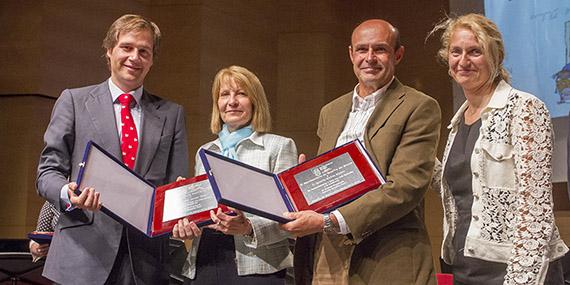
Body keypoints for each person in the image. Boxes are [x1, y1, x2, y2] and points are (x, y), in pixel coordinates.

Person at [281, 19, 441, 284]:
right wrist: (302, 182)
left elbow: (406, 187)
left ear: (397, 55)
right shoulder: (330, 111)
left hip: (387, 256)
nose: (369, 58)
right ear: (350, 54)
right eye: (361, 49)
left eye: (380, 49)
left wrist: (330, 220)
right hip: (326, 252)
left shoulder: (419, 107)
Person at [36, 14, 189, 284]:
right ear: (109, 51)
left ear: (152, 60)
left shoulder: (172, 114)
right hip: (81, 255)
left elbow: (176, 184)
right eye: (127, 47)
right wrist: (67, 193)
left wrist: (183, 211)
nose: (135, 57)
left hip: (146, 260)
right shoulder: (73, 101)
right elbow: (48, 172)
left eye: (144, 51)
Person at [429, 13, 569, 284]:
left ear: (496, 56)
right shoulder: (458, 121)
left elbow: (536, 211)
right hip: (464, 267)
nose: (463, 61)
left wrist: (520, 280)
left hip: (513, 271)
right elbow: (462, 191)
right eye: (455, 52)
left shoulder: (525, 109)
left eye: (475, 52)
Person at [172, 65, 296, 284]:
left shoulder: (279, 147)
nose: (232, 101)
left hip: (259, 265)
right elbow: (202, 211)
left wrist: (248, 227)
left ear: (255, 101)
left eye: (241, 93)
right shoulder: (205, 151)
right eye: (224, 95)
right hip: (206, 260)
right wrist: (185, 217)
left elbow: (291, 221)